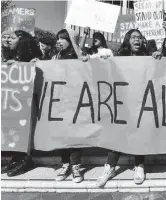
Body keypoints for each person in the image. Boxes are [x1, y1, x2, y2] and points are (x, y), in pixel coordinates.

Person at [96, 29, 148, 188]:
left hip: (140, 103)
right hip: (122, 103)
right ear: (127, 40)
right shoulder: (118, 57)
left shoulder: (148, 57)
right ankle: (110, 167)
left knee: (139, 133)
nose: (137, 40)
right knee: (118, 134)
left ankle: (139, 166)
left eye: (139, 38)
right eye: (133, 37)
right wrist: (105, 61)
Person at [1, 30, 42, 177]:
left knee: (25, 129)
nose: (8, 40)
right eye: (7, 38)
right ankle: (16, 158)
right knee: (14, 129)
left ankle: (25, 159)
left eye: (12, 38)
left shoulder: (33, 58)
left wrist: (19, 65)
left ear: (22, 41)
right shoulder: (11, 54)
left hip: (27, 101)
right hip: (14, 101)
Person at [52, 29, 84, 183]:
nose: (59, 41)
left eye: (63, 39)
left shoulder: (77, 55)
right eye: (58, 38)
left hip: (74, 100)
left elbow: (84, 62)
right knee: (61, 135)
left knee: (74, 135)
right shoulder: (56, 56)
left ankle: (76, 166)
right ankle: (65, 165)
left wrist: (76, 42)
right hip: (58, 100)